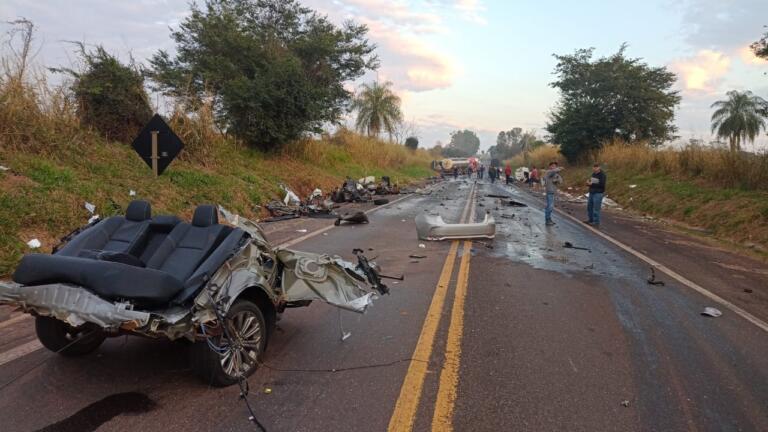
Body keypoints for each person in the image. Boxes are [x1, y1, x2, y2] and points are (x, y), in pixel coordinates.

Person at [585, 163, 606, 227]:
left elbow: (602, 185)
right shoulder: (593, 174)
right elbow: (591, 182)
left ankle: (596, 222)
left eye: (596, 167)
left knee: (596, 208)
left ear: (599, 167)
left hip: (598, 193)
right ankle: (590, 219)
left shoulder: (602, 175)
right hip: (592, 192)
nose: (595, 168)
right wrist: (588, 183)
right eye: (594, 167)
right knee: (589, 207)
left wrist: (592, 184)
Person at [543, 161, 563, 226]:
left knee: (550, 206)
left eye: (555, 166)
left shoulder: (556, 174)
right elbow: (553, 172)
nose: (554, 167)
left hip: (553, 192)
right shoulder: (548, 172)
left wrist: (557, 179)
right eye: (553, 166)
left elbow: (561, 181)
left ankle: (549, 219)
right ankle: (547, 220)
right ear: (550, 166)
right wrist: (559, 168)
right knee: (550, 206)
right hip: (549, 191)